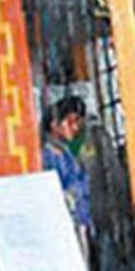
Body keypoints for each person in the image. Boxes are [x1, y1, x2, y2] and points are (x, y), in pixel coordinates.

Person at [41, 96, 92, 250]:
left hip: (80, 220)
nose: (75, 128)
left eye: (77, 123)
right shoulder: (48, 156)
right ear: (54, 123)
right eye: (70, 122)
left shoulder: (67, 153)